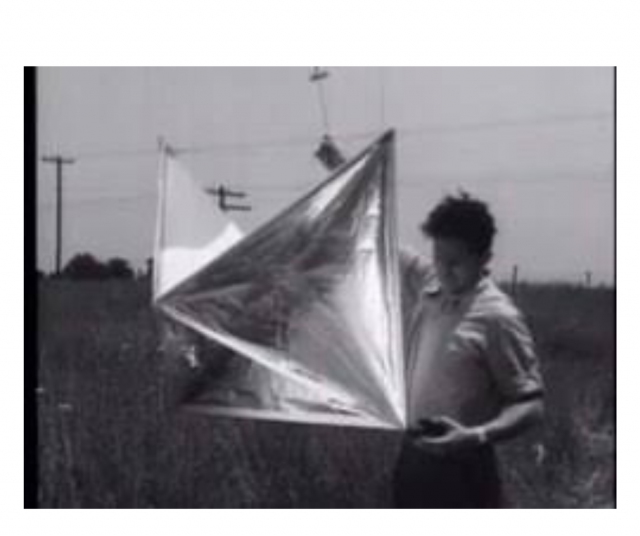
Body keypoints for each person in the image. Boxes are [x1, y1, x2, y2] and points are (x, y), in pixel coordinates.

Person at [394, 192, 544, 508]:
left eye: (455, 262)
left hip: (464, 469)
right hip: (412, 457)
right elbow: (381, 234)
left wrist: (476, 435)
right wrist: (349, 171)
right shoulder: (430, 284)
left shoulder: (498, 317)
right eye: (438, 258)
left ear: (484, 258)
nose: (444, 270)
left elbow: (530, 405)